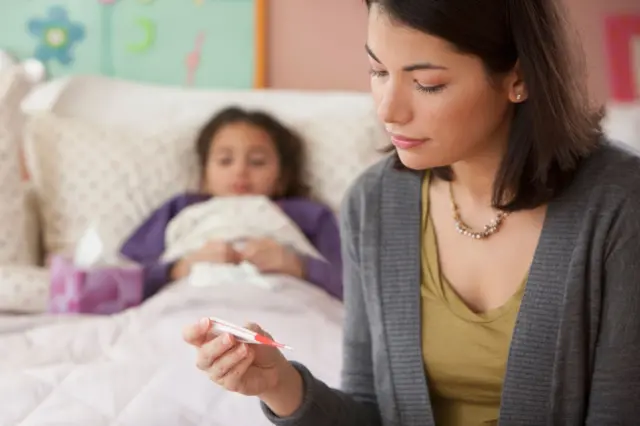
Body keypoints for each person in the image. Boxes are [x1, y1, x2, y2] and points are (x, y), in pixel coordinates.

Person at [182, 0, 640, 424]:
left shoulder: (619, 206)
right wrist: (281, 384)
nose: (388, 109)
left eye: (427, 83)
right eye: (378, 72)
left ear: (518, 77)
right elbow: (370, 410)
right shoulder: (374, 204)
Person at [121, 106, 343, 301]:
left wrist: (298, 265)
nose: (240, 171)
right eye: (225, 160)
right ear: (204, 175)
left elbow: (352, 285)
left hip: (287, 304)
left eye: (257, 162)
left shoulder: (309, 214)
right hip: (188, 303)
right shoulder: (180, 208)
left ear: (282, 178)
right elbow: (122, 282)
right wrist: (179, 268)